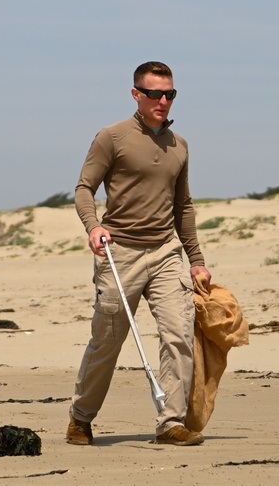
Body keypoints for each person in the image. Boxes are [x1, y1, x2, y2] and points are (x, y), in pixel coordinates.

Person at [68, 61, 212, 446]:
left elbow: (184, 206)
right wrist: (93, 226)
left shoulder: (179, 145)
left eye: (170, 94)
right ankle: (81, 417)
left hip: (166, 252)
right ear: (137, 95)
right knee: (107, 340)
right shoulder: (111, 137)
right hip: (121, 253)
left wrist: (196, 260)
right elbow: (84, 188)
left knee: (178, 335)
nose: (163, 101)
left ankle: (170, 423)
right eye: (155, 94)